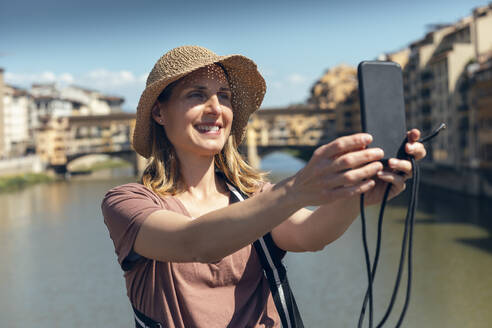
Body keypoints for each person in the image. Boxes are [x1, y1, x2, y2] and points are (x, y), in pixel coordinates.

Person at [101, 45, 426, 328]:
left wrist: (358, 196)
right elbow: (194, 242)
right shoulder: (127, 204)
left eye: (224, 96)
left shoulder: (255, 196)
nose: (216, 108)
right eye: (197, 95)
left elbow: (310, 234)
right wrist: (297, 188)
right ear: (159, 112)